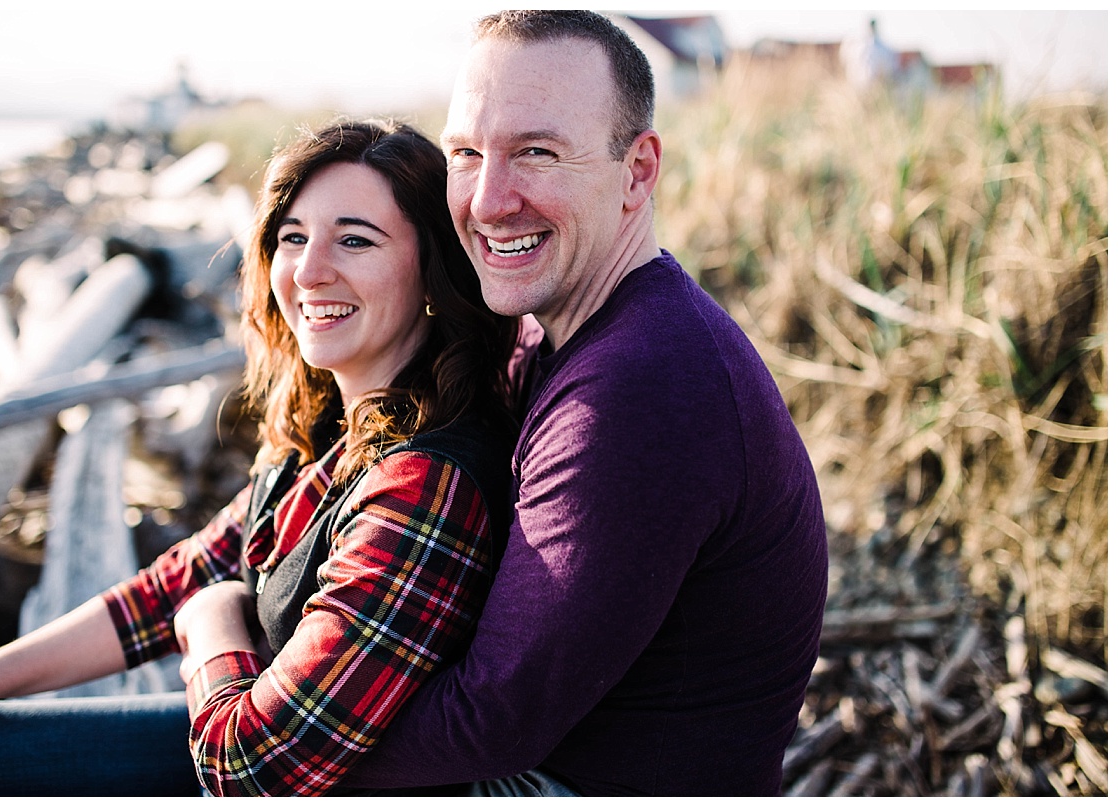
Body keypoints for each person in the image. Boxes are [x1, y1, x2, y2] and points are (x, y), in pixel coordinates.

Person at [0, 119, 519, 797]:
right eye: (292, 237)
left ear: (431, 273)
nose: (308, 270)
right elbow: (168, 586)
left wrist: (212, 619)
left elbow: (255, 771)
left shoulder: (425, 484)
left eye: (355, 239)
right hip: (233, 725)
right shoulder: (332, 430)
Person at [333, 11, 829, 796]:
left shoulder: (643, 386)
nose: (489, 201)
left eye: (536, 152)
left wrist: (255, 717)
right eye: (466, 154)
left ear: (637, 171)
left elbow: (486, 726)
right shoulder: (556, 333)